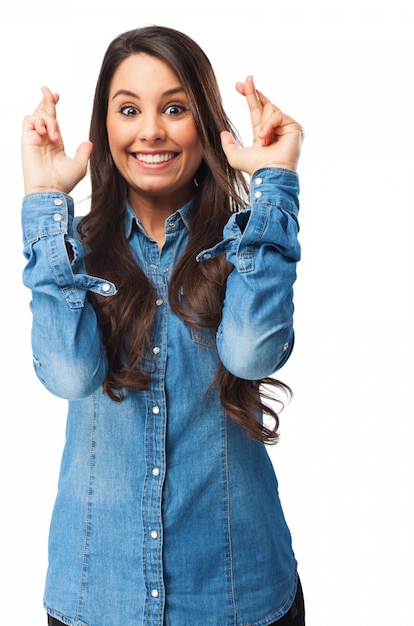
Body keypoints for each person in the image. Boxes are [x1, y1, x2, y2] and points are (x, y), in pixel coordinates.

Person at [21, 25, 305, 626]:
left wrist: (274, 185)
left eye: (174, 108)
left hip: (236, 593)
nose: (151, 129)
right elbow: (69, 375)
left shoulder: (243, 247)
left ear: (205, 123)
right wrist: (45, 202)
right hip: (100, 595)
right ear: (105, 129)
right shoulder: (73, 256)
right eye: (129, 110)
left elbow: (253, 352)